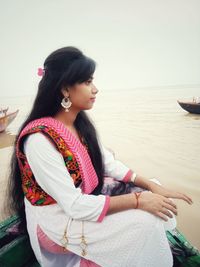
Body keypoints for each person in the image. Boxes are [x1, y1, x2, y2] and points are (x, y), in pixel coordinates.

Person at [8, 47, 193, 267]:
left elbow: (108, 164)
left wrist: (151, 187)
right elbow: (74, 205)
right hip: (58, 221)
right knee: (145, 222)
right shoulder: (39, 140)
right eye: (87, 82)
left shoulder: (78, 125)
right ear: (65, 89)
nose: (95, 90)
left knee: (155, 196)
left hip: (81, 202)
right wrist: (137, 201)